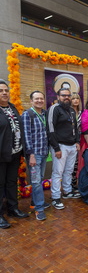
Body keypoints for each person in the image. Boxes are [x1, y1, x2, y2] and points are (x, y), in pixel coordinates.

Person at [0, 81, 28, 229]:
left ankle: (13, 209)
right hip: (1, 155)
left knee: (12, 182)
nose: (4, 93)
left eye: (6, 90)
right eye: (1, 91)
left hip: (15, 153)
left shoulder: (12, 107)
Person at [47, 88, 81, 210]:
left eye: (68, 95)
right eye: (63, 95)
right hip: (60, 146)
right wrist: (56, 148)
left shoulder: (71, 110)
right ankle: (55, 197)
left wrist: (77, 141)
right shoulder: (54, 109)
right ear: (58, 96)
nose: (66, 97)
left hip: (72, 146)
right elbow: (50, 129)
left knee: (69, 170)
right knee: (57, 172)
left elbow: (76, 128)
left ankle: (67, 192)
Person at [22, 91, 49, 221]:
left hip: (44, 153)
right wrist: (31, 154)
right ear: (31, 101)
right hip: (34, 155)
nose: (39, 101)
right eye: (36, 99)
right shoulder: (28, 114)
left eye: (41, 98)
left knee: (40, 179)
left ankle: (34, 203)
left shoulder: (44, 113)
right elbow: (26, 136)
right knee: (36, 182)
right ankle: (39, 209)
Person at [70, 93, 82, 190]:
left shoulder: (82, 112)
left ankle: (75, 182)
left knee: (78, 162)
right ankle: (70, 184)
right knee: (71, 163)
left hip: (81, 139)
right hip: (70, 140)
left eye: (77, 98)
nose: (75, 100)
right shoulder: (68, 111)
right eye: (73, 98)